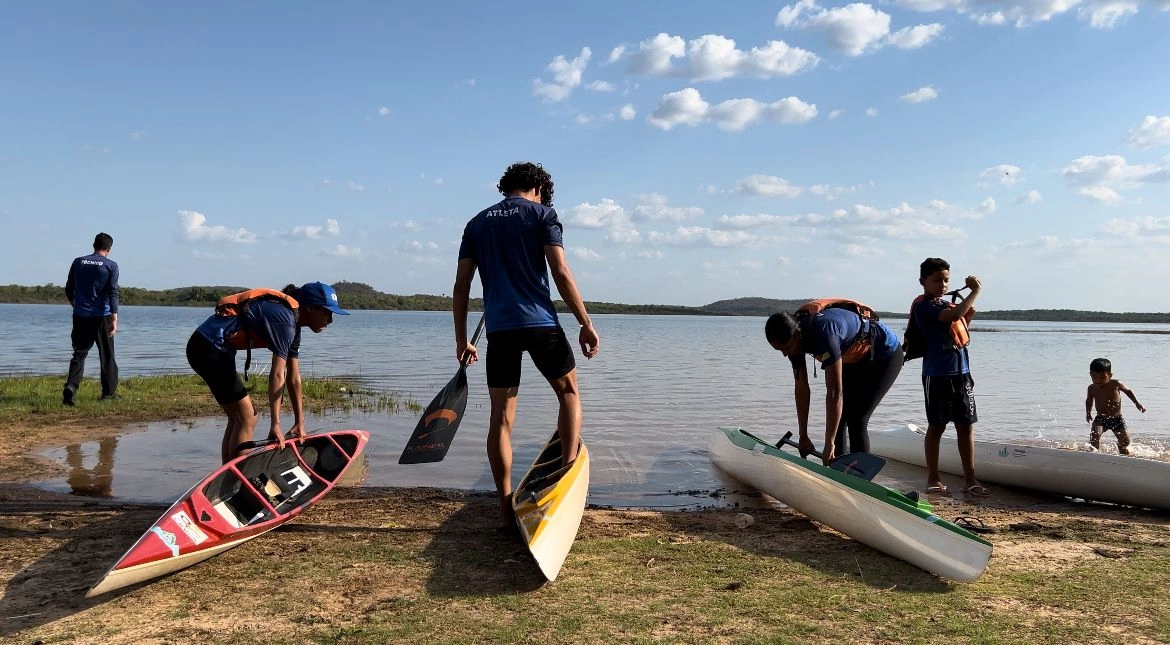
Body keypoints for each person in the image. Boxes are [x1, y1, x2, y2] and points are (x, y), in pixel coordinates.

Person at [452, 161, 600, 531]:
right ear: (537, 188)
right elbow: (561, 273)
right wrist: (586, 323)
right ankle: (565, 476)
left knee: (500, 419)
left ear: (507, 186)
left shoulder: (476, 223)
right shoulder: (543, 214)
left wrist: (463, 340)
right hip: (540, 324)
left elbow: (461, 287)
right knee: (568, 393)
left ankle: (504, 507)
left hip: (499, 330)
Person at [186, 282, 349, 464]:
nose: (331, 320)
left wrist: (299, 422)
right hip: (208, 348)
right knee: (247, 417)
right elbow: (278, 374)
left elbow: (294, 378)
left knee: (238, 417)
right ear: (310, 308)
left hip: (209, 347)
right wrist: (276, 424)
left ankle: (227, 474)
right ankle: (237, 479)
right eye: (327, 312)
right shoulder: (286, 321)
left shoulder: (294, 326)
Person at [765, 298, 902, 466]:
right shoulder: (792, 337)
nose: (785, 354)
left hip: (884, 356)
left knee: (857, 418)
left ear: (798, 334)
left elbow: (834, 393)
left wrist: (828, 443)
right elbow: (801, 388)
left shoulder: (826, 334)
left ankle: (859, 477)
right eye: (779, 350)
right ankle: (836, 469)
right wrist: (803, 435)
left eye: (785, 348)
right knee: (839, 418)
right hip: (852, 357)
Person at [913, 257, 987, 497]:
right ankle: (933, 479)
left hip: (962, 374)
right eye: (937, 280)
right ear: (923, 281)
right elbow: (953, 317)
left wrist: (967, 311)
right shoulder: (924, 306)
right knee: (937, 427)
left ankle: (970, 480)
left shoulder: (943, 304)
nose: (942, 285)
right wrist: (975, 291)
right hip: (937, 375)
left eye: (946, 280)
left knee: (965, 426)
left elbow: (959, 324)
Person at [63, 232, 120, 405]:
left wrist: (76, 305)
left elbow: (69, 288)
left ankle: (71, 387)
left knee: (79, 354)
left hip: (80, 315)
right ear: (108, 249)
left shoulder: (78, 262)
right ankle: (108, 393)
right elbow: (113, 292)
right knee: (107, 355)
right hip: (101, 317)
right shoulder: (111, 265)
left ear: (94, 245)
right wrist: (114, 318)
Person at [1086, 358, 1145, 455]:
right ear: (1090, 375)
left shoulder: (1115, 384)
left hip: (1117, 419)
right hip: (1101, 417)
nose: (1098, 380)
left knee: (1126, 442)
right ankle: (1094, 454)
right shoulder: (1091, 388)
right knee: (1094, 435)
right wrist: (1088, 413)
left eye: (1102, 377)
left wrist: (1137, 404)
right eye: (1094, 377)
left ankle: (1121, 447)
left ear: (1109, 375)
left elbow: (1128, 391)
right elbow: (1089, 401)